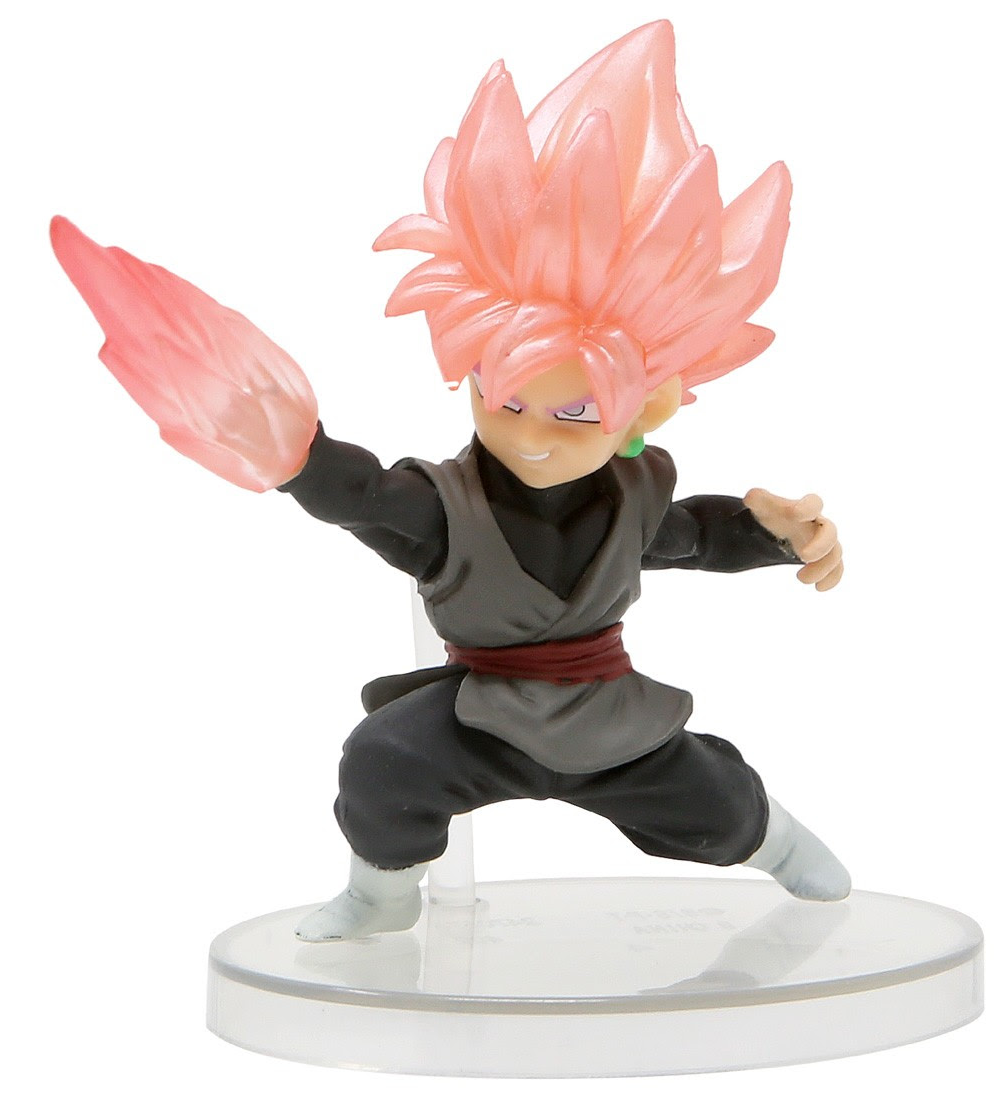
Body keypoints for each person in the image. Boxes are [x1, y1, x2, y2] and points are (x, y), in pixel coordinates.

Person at [51, 21, 849, 944]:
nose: (533, 437)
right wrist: (294, 451)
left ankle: (782, 844)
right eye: (504, 399)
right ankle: (380, 897)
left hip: (610, 719)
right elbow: (360, 496)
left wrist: (779, 535)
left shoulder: (635, 501)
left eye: (575, 413)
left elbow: (698, 534)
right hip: (478, 715)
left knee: (716, 806)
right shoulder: (443, 509)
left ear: (647, 408)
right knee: (383, 763)